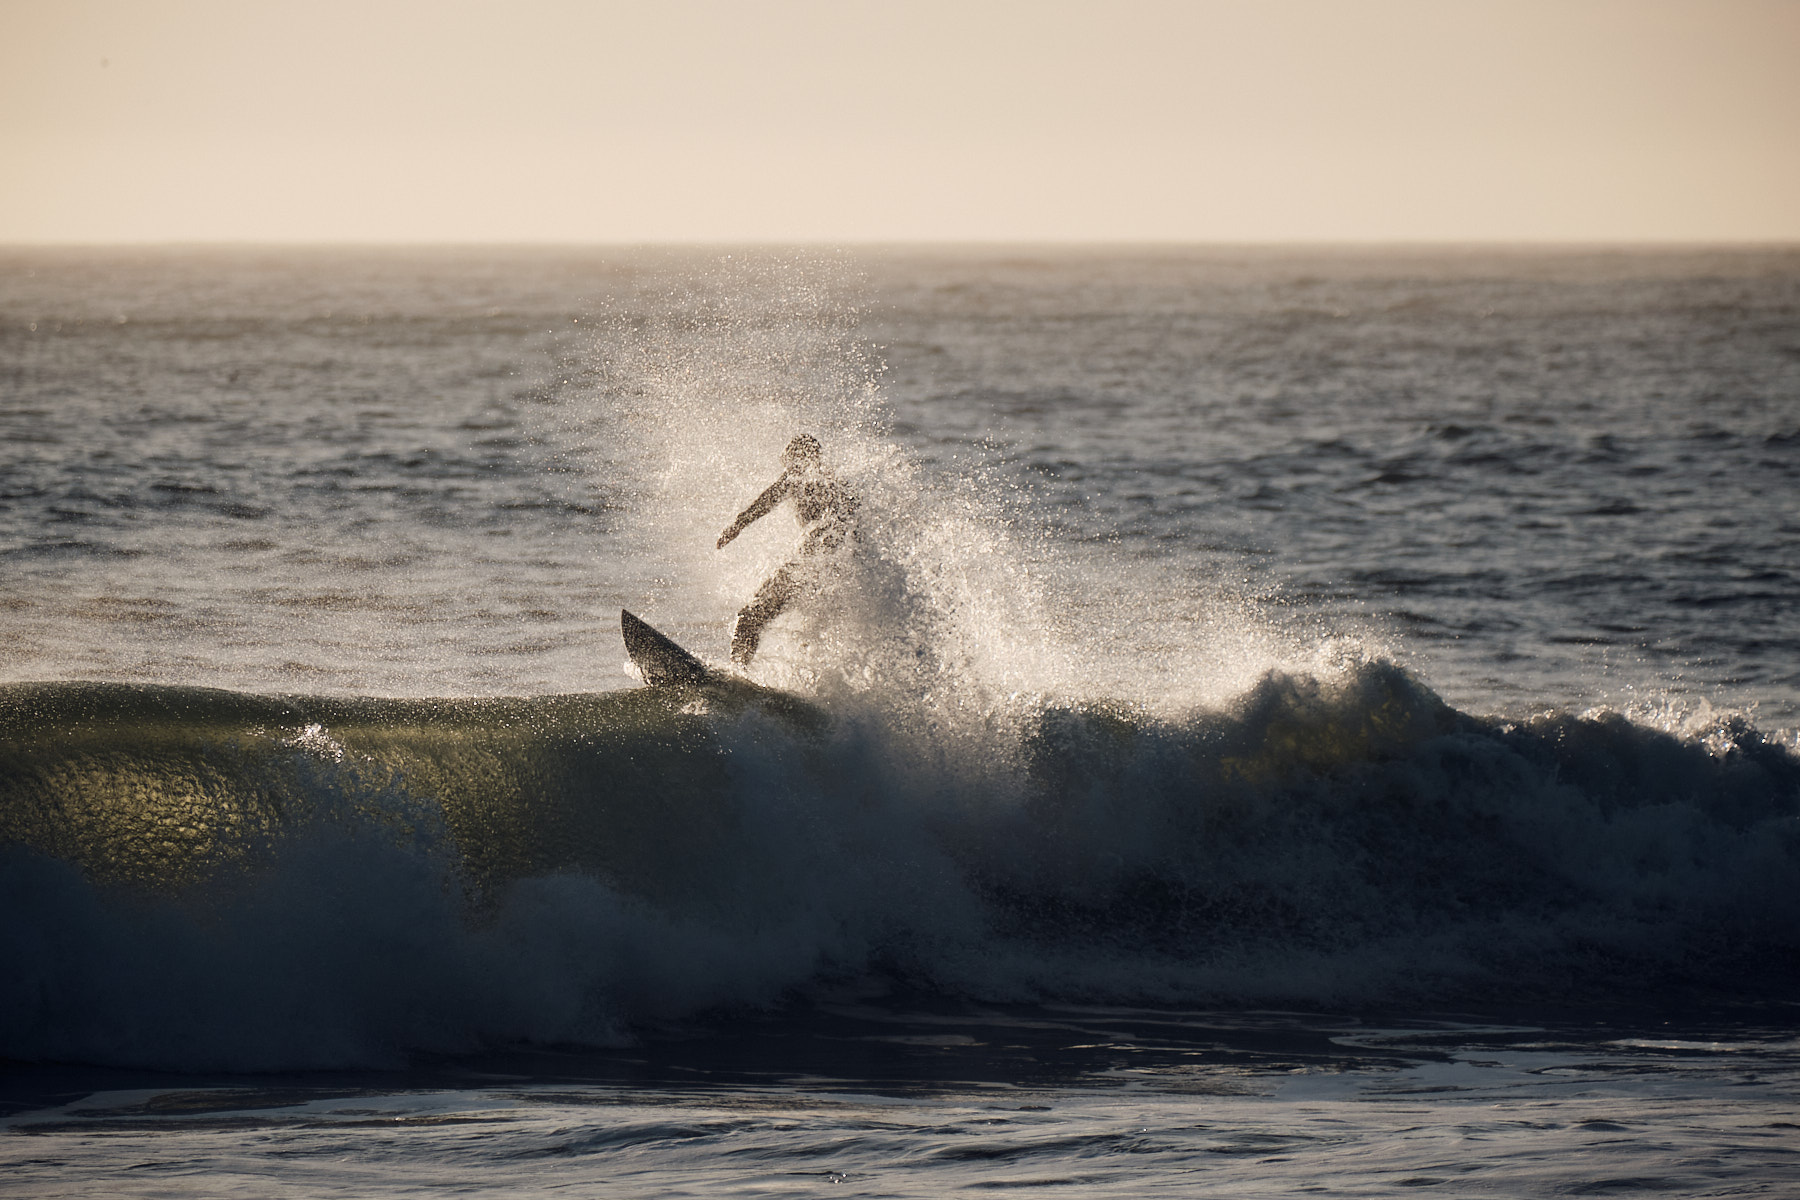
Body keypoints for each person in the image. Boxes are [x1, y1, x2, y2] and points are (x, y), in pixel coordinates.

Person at [716, 434, 859, 665]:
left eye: (791, 462)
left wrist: (738, 525)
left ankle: (737, 674)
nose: (787, 468)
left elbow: (769, 500)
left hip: (810, 570)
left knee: (749, 618)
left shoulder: (809, 480)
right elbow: (768, 500)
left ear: (805, 460)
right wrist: (738, 525)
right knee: (809, 638)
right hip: (831, 577)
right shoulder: (828, 483)